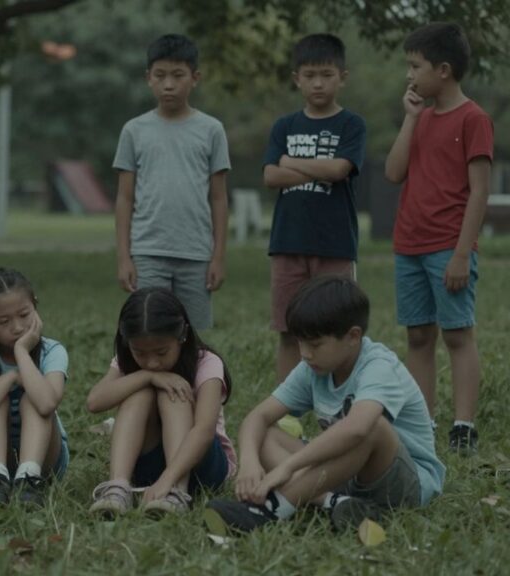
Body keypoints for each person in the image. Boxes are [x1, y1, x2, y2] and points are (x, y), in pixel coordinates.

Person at [204, 276, 445, 534]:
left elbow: (357, 429)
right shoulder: (314, 367)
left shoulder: (379, 367)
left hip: (406, 483)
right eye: (300, 342)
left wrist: (288, 467)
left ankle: (270, 510)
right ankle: (337, 503)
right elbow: (258, 417)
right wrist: (249, 461)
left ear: (353, 336)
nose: (305, 353)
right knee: (268, 434)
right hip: (347, 475)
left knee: (372, 426)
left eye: (315, 344)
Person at [384, 22, 494, 454]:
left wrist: (462, 255)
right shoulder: (422, 117)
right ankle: (421, 422)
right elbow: (394, 173)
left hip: (449, 246)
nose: (409, 75)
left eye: (416, 66)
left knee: (457, 334)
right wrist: (411, 119)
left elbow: (480, 191)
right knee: (417, 337)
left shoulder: (473, 119)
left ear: (443, 70)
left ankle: (463, 426)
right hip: (407, 245)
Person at [264, 33, 366, 388]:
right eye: (309, 75)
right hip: (287, 243)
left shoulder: (351, 125)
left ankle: (339, 403)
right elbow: (271, 175)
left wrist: (292, 161)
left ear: (342, 76)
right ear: (296, 79)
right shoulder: (285, 126)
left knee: (337, 330)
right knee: (289, 330)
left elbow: (341, 170)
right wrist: (317, 165)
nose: (318, 83)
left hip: (335, 245)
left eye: (326, 74)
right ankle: (287, 413)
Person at [114, 33, 230, 330]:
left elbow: (218, 198)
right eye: (160, 75)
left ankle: (195, 379)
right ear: (148, 78)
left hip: (196, 253)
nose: (168, 84)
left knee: (195, 335)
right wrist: (124, 257)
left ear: (195, 78)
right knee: (149, 330)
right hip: (148, 251)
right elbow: (125, 199)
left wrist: (217, 257)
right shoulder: (134, 131)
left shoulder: (212, 130)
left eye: (178, 75)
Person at [87, 288, 236, 518]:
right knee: (140, 392)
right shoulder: (130, 363)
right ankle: (117, 487)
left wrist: (168, 478)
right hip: (150, 467)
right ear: (127, 343)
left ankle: (176, 492)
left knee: (173, 392)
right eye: (140, 353)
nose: (152, 362)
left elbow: (204, 431)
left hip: (202, 466)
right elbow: (95, 402)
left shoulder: (206, 362)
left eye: (161, 352)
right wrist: (146, 377)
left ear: (183, 335)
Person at [0, 268, 69, 508]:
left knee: (33, 399)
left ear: (35, 307)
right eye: (4, 321)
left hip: (46, 458)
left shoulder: (52, 351)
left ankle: (29, 478)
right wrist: (9, 379)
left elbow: (47, 403)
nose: (18, 327)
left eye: (24, 314)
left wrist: (21, 351)